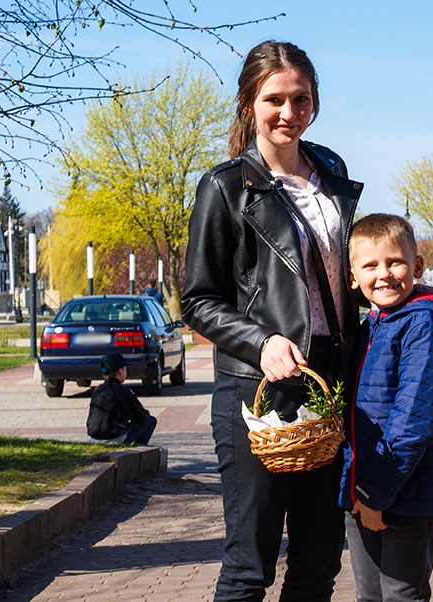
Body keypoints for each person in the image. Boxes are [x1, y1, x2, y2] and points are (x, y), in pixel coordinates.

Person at [180, 40, 363, 601]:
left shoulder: (331, 170)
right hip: (256, 395)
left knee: (318, 562)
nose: (289, 113)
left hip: (328, 383)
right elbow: (198, 300)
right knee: (248, 567)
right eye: (275, 99)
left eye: (301, 99)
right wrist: (261, 343)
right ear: (248, 103)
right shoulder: (225, 187)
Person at [340, 214, 433, 602]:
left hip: (407, 496)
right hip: (364, 491)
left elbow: (415, 417)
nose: (385, 275)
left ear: (418, 266)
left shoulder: (424, 324)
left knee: (400, 595)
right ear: (352, 277)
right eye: (371, 265)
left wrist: (374, 495)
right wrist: (359, 490)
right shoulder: (374, 324)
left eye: (395, 262)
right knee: (369, 596)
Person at [86, 353, 157, 445]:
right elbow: (140, 415)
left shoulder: (97, 390)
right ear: (120, 371)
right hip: (114, 437)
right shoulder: (122, 391)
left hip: (94, 438)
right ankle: (139, 449)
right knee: (150, 421)